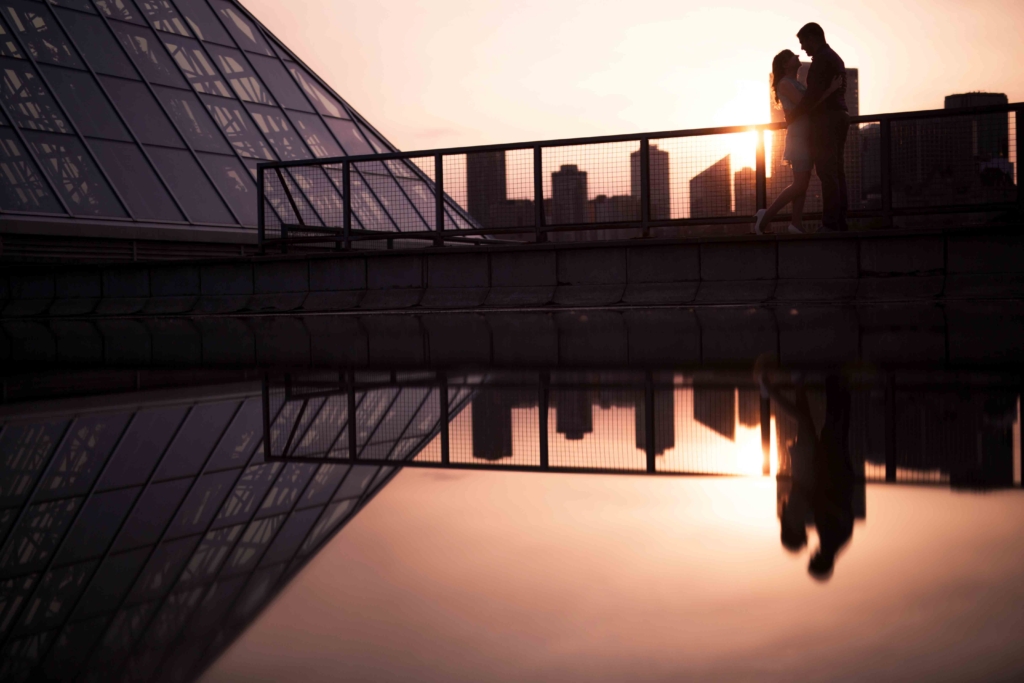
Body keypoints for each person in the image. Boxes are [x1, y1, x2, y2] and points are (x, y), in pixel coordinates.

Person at [759, 371, 855, 580]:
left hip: (814, 468)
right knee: (814, 421)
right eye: (813, 558)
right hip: (817, 468)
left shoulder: (832, 540)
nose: (811, 551)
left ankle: (772, 391)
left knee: (816, 423)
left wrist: (818, 500)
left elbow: (831, 505)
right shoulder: (830, 539)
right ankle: (800, 383)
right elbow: (836, 509)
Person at [752, 51, 842, 235]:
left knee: (803, 181)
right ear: (785, 64)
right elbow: (806, 105)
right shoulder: (785, 84)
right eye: (793, 56)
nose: (798, 56)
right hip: (799, 137)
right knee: (800, 183)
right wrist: (830, 91)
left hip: (806, 136)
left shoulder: (795, 83)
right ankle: (766, 216)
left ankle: (796, 223)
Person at [785, 22, 851, 232]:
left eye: (803, 42)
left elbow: (812, 96)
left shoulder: (822, 61)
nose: (802, 48)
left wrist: (793, 115)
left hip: (826, 121)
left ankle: (831, 224)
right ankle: (839, 221)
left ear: (813, 38)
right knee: (837, 171)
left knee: (827, 172)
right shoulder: (834, 58)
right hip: (839, 117)